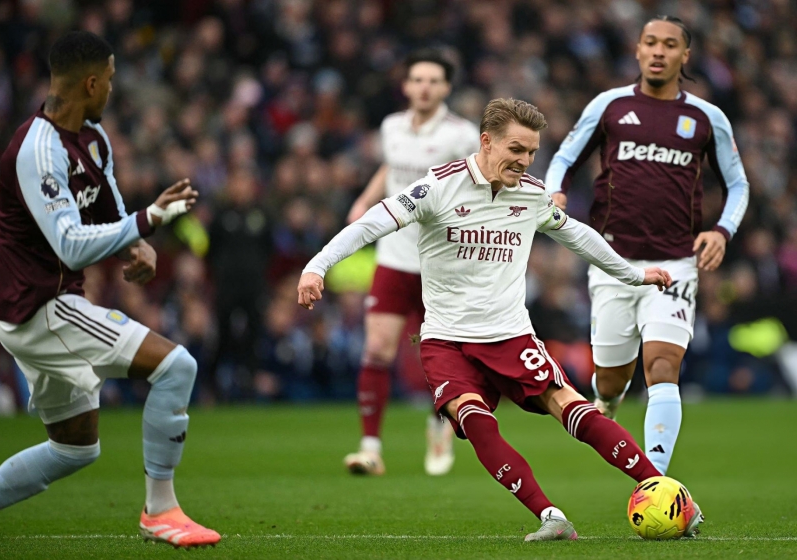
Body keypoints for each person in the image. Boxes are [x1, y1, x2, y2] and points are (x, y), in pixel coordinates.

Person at [297, 98, 703, 540]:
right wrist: (317, 266)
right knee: (474, 420)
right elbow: (371, 223)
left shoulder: (530, 194)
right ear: (486, 141)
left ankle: (668, 491)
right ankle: (551, 517)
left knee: (569, 404)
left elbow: (577, 235)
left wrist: (634, 275)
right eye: (516, 149)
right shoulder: (438, 187)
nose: (525, 160)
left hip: (510, 335)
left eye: (531, 152)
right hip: (446, 339)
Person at [0, 31, 220, 555]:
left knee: (74, 450)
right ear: (89, 83)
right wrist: (148, 221)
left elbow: (109, 210)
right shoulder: (38, 150)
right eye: (109, 78)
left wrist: (137, 246)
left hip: (41, 305)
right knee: (177, 367)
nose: (111, 87)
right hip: (39, 308)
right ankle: (160, 511)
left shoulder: (93, 139)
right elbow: (69, 243)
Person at [544, 16, 749, 475]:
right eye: (650, 42)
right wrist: (555, 191)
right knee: (610, 378)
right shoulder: (609, 106)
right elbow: (564, 158)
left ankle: (654, 481)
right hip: (612, 262)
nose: (659, 51)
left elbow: (738, 184)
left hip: (676, 263)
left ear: (685, 55)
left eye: (669, 44)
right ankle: (607, 401)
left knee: (661, 365)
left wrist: (722, 230)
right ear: (637, 50)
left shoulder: (706, 118)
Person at [343, 49, 480, 476]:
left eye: (433, 81)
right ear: (405, 86)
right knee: (376, 348)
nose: (424, 87)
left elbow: (476, 184)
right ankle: (370, 448)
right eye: (417, 79)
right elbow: (391, 169)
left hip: (440, 263)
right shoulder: (392, 127)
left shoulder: (462, 135)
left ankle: (440, 424)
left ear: (446, 88)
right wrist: (364, 201)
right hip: (394, 257)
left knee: (438, 356)